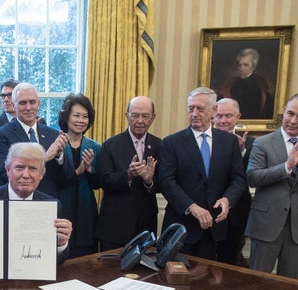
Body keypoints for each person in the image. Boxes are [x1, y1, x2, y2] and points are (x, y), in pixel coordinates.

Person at [245, 93, 298, 279]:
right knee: (256, 283)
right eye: (290, 113)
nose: (293, 120)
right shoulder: (262, 143)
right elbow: (252, 177)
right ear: (283, 112)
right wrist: (286, 167)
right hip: (266, 225)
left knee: (290, 285)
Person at [159, 87, 246, 260]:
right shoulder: (172, 142)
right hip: (182, 227)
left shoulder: (228, 142)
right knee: (176, 281)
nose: (194, 113)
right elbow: (166, 182)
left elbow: (238, 179)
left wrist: (227, 199)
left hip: (214, 228)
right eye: (191, 109)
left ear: (214, 111)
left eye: (200, 109)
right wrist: (192, 208)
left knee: (208, 282)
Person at [0, 142, 73, 268]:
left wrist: (61, 244)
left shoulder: (52, 205)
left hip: (31, 279)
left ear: (41, 175)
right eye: (19, 167)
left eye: (33, 168)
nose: (26, 175)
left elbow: (54, 262)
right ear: (8, 171)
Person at [96, 96, 161, 252]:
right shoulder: (110, 145)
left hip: (146, 226)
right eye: (135, 115)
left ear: (153, 118)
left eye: (145, 116)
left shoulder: (161, 145)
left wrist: (149, 181)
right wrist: (128, 176)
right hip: (114, 227)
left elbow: (166, 183)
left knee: (146, 275)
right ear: (126, 116)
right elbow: (104, 181)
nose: (140, 120)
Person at [0, 82, 72, 196]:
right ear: (14, 106)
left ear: (38, 104)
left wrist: (59, 156)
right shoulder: (1, 135)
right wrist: (45, 157)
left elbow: (67, 177)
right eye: (23, 103)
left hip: (46, 200)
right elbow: (2, 172)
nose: (28, 108)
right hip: (15, 199)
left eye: (32, 102)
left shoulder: (53, 135)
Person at [56, 93, 100, 257]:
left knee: (86, 259)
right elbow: (53, 180)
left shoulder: (95, 147)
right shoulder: (56, 143)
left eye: (85, 117)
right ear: (66, 117)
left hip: (86, 210)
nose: (81, 120)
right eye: (76, 115)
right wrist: (78, 171)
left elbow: (98, 183)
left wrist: (89, 170)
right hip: (61, 206)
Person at [213, 98, 254, 265]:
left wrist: (242, 152)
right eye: (219, 115)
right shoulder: (206, 140)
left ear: (238, 116)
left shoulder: (252, 143)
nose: (223, 120)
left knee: (231, 260)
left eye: (228, 115)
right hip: (209, 209)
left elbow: (250, 176)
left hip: (236, 211)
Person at [217, 48, 274, 119]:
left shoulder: (261, 83)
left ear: (254, 66)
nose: (242, 68)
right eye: (240, 65)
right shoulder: (231, 82)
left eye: (245, 65)